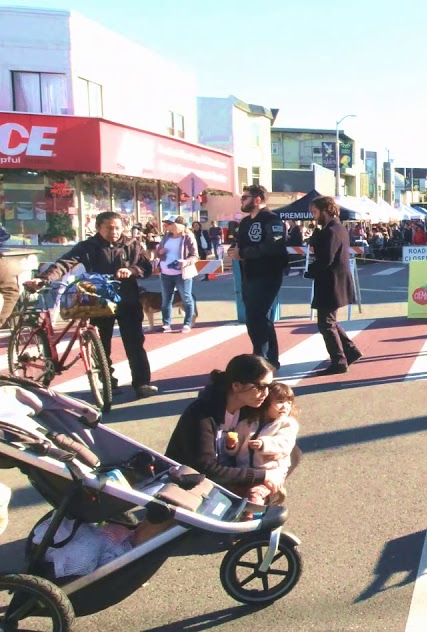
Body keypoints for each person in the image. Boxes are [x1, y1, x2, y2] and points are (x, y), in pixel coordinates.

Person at [25, 211, 158, 399]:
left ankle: (142, 383)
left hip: (128, 301)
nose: (114, 232)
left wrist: (130, 270)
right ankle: (108, 382)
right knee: (101, 346)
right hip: (98, 302)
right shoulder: (88, 247)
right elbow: (65, 263)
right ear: (97, 228)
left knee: (135, 345)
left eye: (118, 228)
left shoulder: (132, 245)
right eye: (109, 228)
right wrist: (44, 278)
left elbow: (146, 268)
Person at [164, 354, 287, 495]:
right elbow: (206, 469)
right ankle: (250, 502)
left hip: (228, 473)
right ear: (236, 386)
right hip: (190, 481)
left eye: (269, 387)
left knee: (283, 464)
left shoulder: (251, 407)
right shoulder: (201, 414)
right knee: (267, 483)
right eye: (261, 386)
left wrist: (280, 453)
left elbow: (290, 444)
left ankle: (254, 498)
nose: (266, 393)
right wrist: (262, 475)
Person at [227, 185, 287, 369]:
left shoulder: (272, 220)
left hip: (268, 274)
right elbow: (239, 244)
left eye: (245, 197)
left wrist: (243, 253)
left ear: (257, 199)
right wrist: (234, 250)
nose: (242, 201)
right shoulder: (245, 223)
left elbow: (272, 246)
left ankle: (267, 358)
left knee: (259, 316)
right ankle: (260, 355)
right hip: (248, 275)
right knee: (252, 318)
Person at [306, 195, 362, 375]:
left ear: (325, 210)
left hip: (331, 282)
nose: (314, 216)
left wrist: (311, 270)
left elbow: (326, 258)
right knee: (330, 321)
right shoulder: (337, 228)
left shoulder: (331, 231)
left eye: (315, 212)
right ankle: (350, 351)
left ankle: (339, 361)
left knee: (326, 324)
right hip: (335, 281)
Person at [226, 382, 299, 506]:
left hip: (271, 471)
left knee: (255, 495)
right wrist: (231, 445)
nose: (285, 407)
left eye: (289, 403)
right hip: (245, 472)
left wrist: (264, 444)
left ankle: (251, 520)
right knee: (234, 493)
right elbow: (236, 449)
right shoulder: (247, 424)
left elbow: (285, 443)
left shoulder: (287, 424)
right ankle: (271, 497)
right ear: (266, 402)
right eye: (280, 402)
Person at [156, 216, 198, 333]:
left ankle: (187, 323)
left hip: (182, 273)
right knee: (166, 299)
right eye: (166, 223)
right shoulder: (166, 237)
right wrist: (160, 252)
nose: (167, 226)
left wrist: (186, 262)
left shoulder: (188, 237)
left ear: (179, 225)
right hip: (165, 273)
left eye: (169, 223)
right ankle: (166, 324)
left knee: (186, 297)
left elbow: (195, 256)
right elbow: (157, 253)